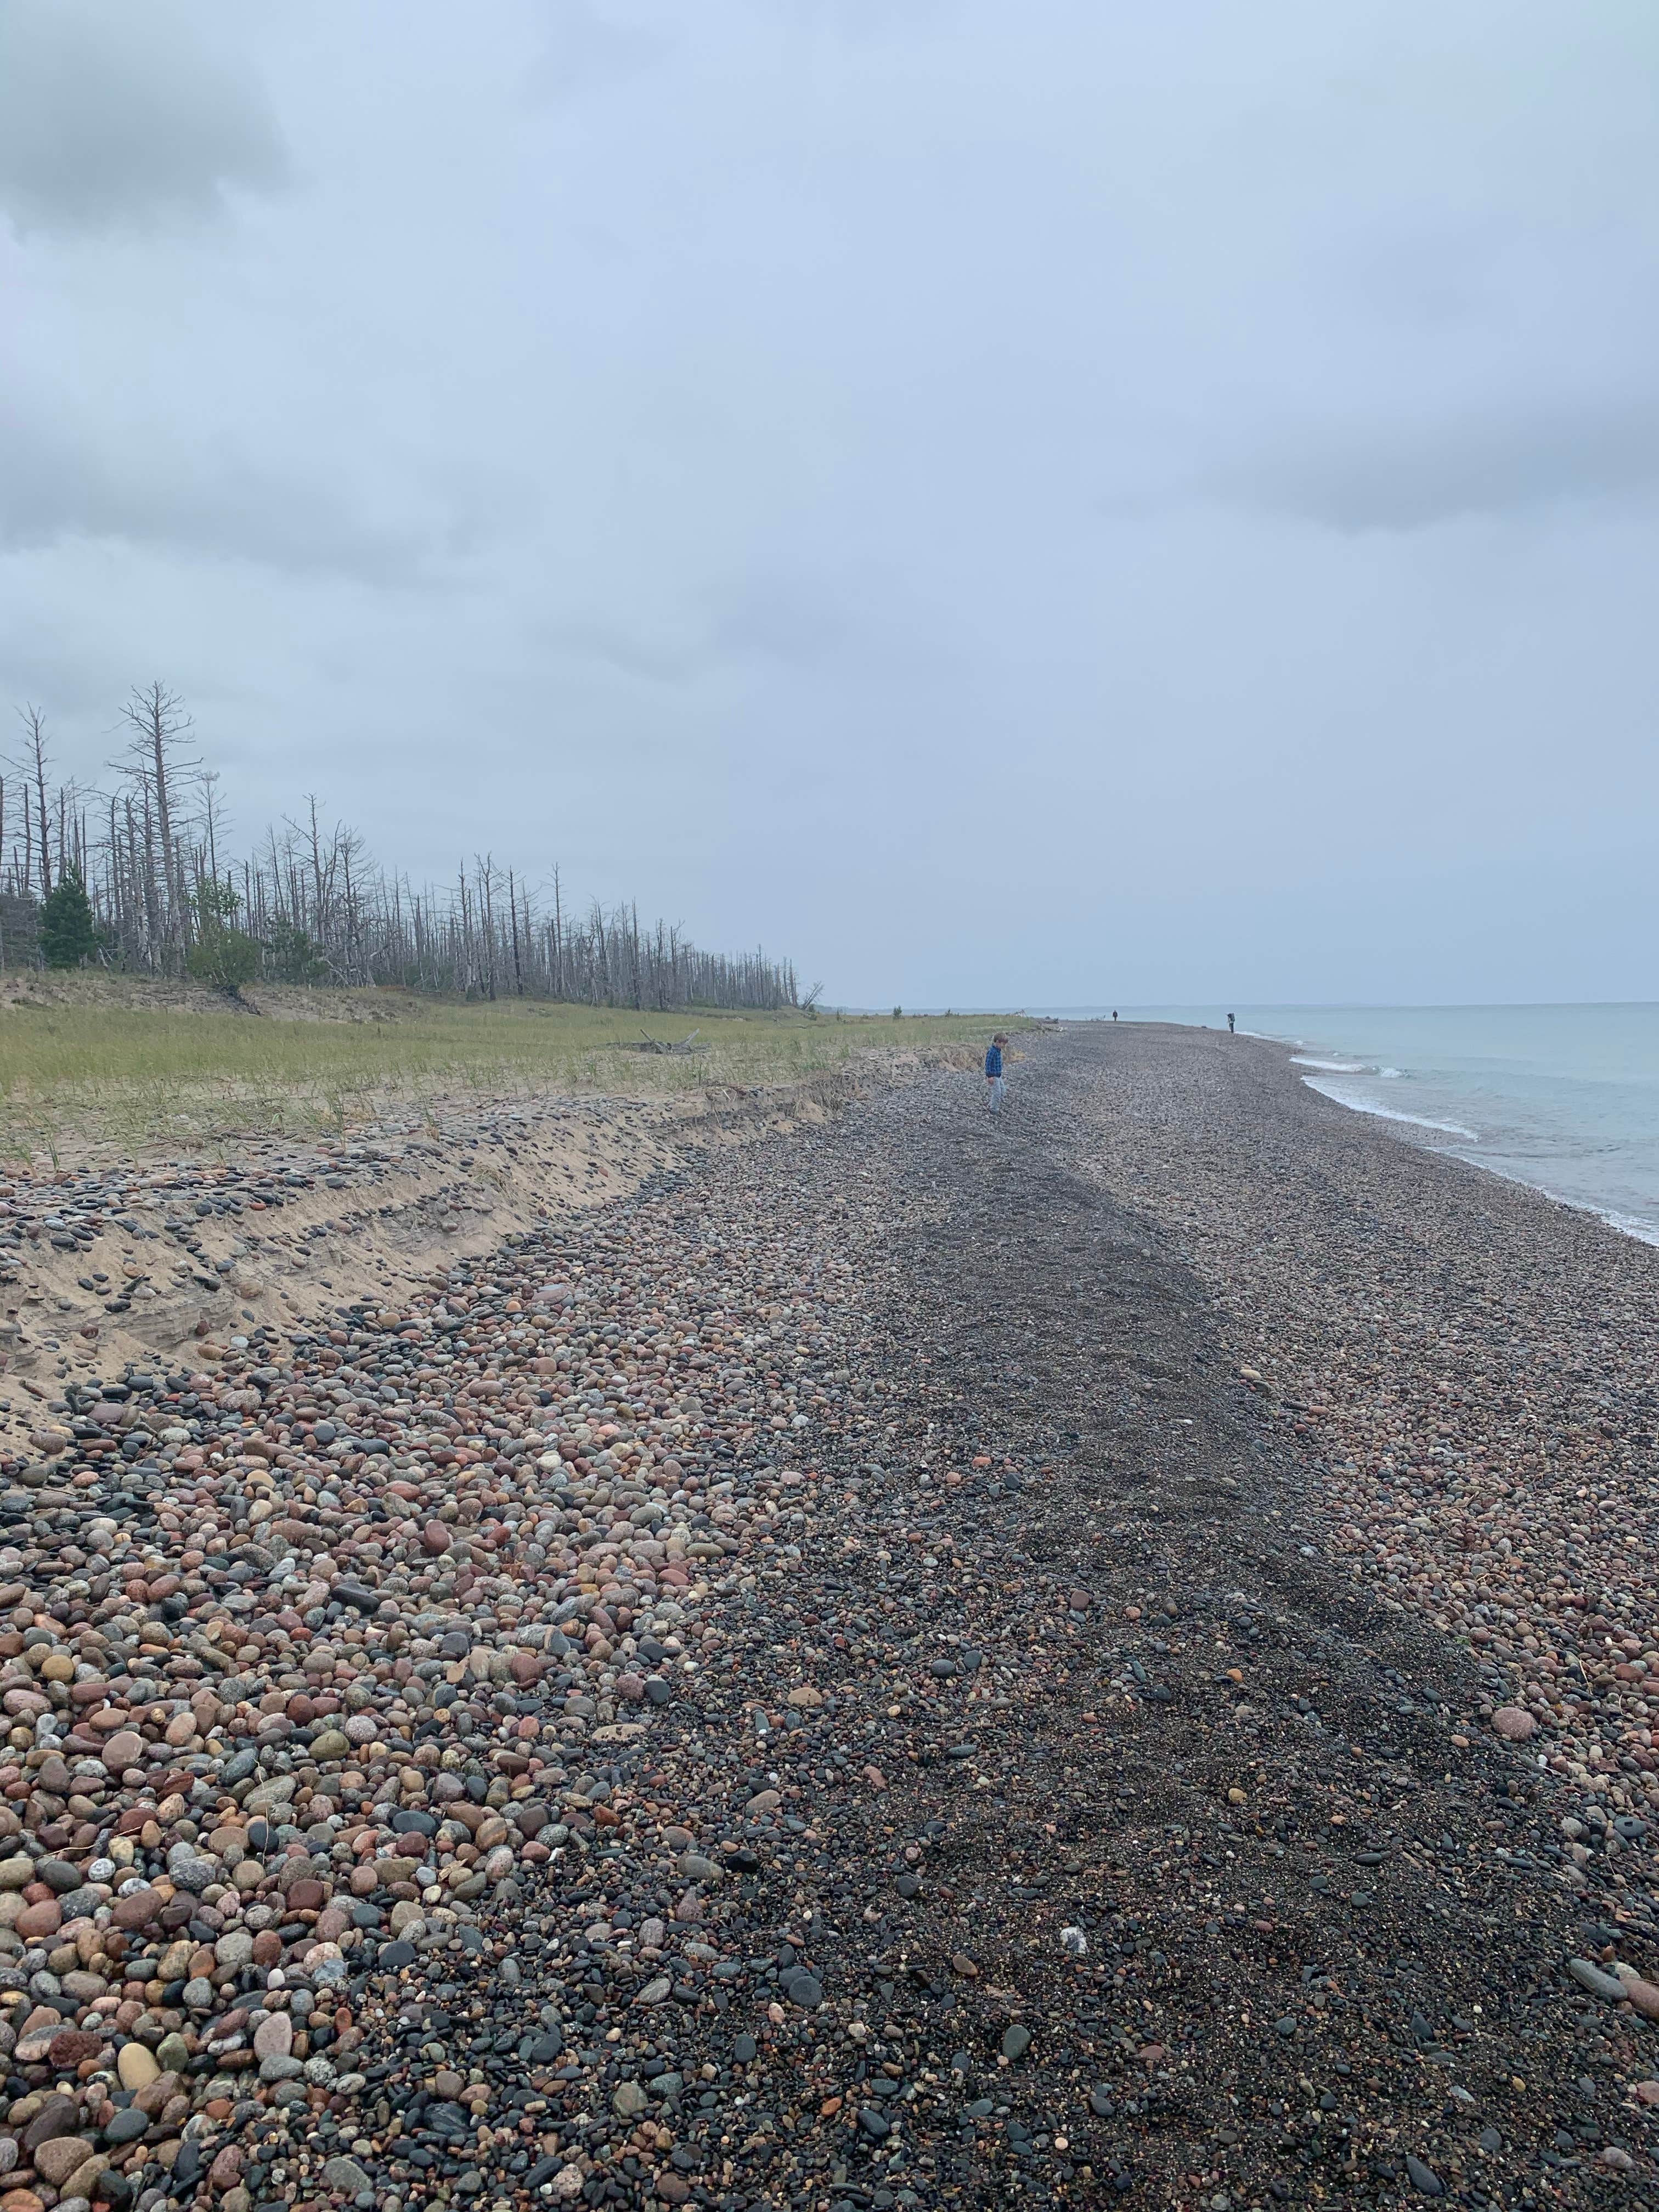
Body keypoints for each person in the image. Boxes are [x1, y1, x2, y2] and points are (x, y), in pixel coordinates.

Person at [984, 1032, 1008, 1115]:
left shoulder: (998, 1051)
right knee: (997, 1092)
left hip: (998, 1075)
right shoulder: (992, 1051)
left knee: (1003, 1091)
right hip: (993, 1075)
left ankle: (991, 1104)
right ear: (998, 1042)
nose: (1004, 1046)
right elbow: (988, 1064)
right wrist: (989, 1076)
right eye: (1003, 1044)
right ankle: (993, 1109)